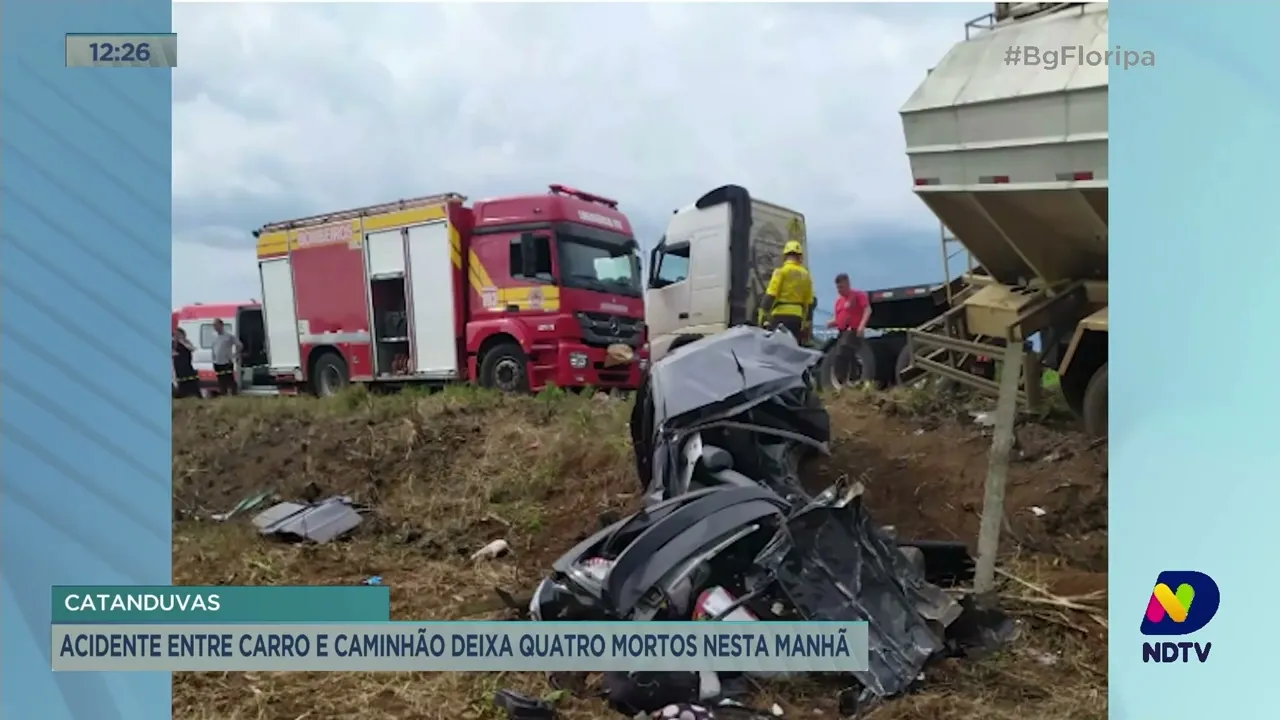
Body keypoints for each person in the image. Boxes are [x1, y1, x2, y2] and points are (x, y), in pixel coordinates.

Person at [758, 240, 815, 340]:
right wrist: (806, 324)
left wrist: (762, 314)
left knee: (775, 348)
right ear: (800, 257)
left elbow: (771, 295)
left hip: (780, 316)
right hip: (797, 318)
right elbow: (809, 304)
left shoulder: (780, 272)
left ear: (785, 256)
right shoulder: (806, 276)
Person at [828, 272, 871, 370]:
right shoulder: (839, 301)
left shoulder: (858, 295)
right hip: (842, 332)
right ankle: (848, 377)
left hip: (853, 330)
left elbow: (867, 309)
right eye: (838, 288)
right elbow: (839, 318)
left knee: (844, 351)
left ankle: (851, 375)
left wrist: (862, 326)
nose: (839, 290)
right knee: (840, 354)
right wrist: (832, 322)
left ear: (848, 284)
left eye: (841, 287)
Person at [210, 318, 243, 396]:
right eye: (214, 326)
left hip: (226, 361)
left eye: (216, 325)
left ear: (222, 325)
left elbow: (239, 345)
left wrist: (236, 354)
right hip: (217, 362)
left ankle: (234, 394)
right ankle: (223, 394)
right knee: (220, 380)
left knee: (229, 379)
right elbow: (213, 348)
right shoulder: (214, 336)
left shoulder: (229, 336)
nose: (215, 327)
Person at [172, 328, 201, 399]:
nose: (177, 336)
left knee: (191, 382)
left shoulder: (186, 342)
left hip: (187, 365)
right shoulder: (173, 343)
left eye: (178, 334)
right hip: (178, 366)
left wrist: (183, 342)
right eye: (175, 334)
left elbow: (192, 349)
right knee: (181, 383)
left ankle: (194, 395)